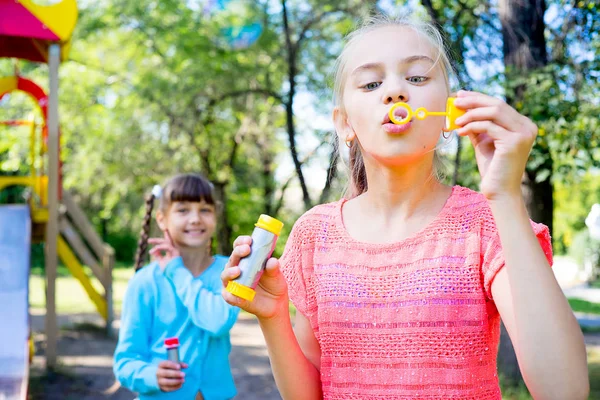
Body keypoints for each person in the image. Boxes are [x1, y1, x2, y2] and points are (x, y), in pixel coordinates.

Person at [221, 14, 589, 400]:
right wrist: (274, 316)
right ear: (345, 123)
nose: (395, 92)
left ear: (450, 113)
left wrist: (506, 197)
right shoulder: (315, 235)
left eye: (416, 78)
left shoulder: (486, 223)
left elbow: (565, 391)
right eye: (371, 83)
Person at [115, 173, 239, 400]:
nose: (195, 219)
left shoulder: (231, 271)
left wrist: (177, 272)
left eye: (205, 209)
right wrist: (151, 375)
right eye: (183, 210)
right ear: (162, 219)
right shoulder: (144, 282)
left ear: (216, 216)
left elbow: (218, 321)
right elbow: (125, 362)